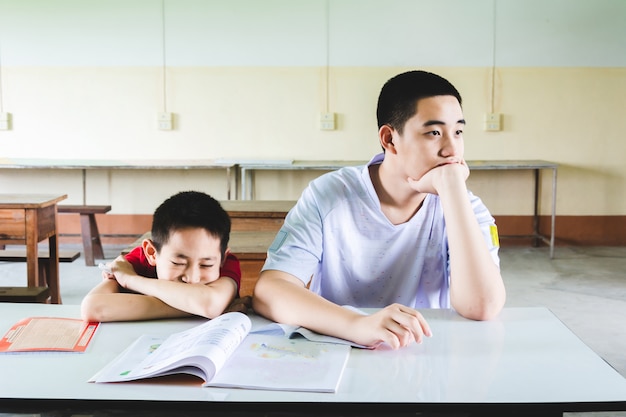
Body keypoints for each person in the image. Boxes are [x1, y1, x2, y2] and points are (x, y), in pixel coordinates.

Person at [252, 70, 506, 350]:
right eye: (434, 132)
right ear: (389, 138)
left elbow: (482, 306)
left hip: (426, 352)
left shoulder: (467, 207)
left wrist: (453, 191)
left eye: (458, 132)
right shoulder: (329, 195)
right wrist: (357, 325)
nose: (452, 149)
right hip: (339, 348)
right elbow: (270, 291)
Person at [81, 190, 248, 322]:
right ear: (152, 253)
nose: (192, 278)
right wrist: (197, 307)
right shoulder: (133, 262)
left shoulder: (225, 262)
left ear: (223, 258)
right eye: (178, 262)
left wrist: (131, 280)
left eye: (206, 265)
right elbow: (93, 308)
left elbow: (210, 305)